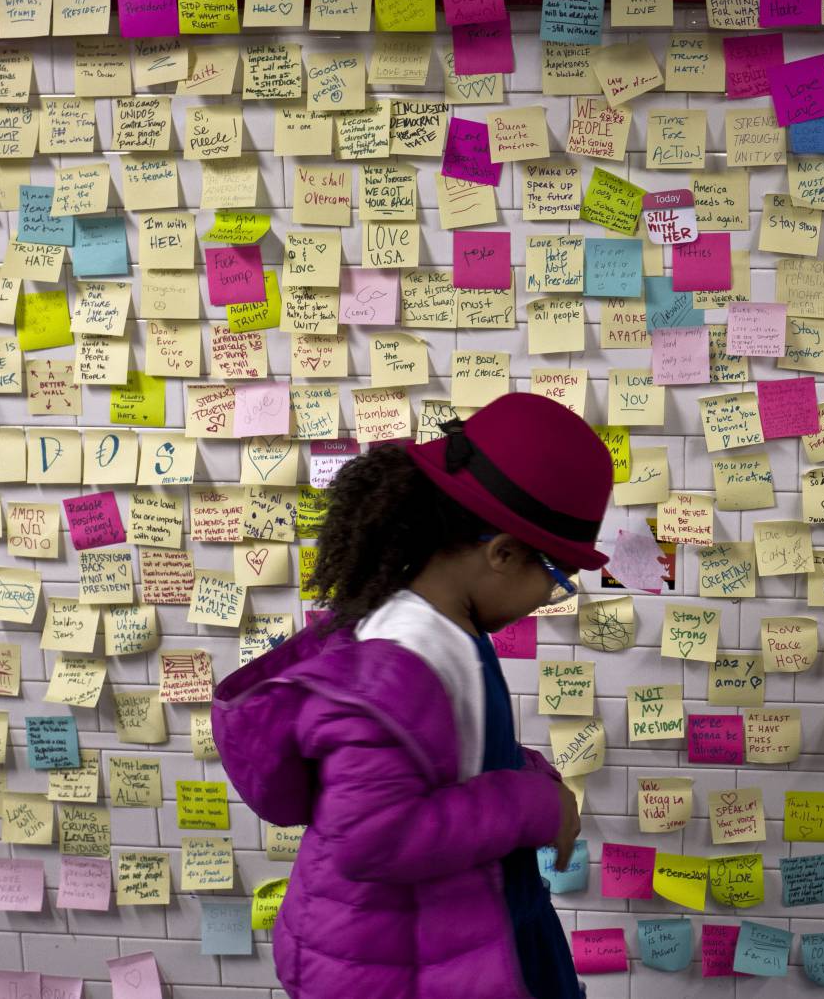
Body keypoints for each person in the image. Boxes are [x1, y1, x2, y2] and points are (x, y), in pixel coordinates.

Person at [213, 392, 613, 998]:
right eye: (557, 580)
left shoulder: (448, 628)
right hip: (394, 965)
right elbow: (373, 835)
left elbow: (450, 757)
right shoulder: (400, 660)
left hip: (455, 931)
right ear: (502, 554)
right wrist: (532, 806)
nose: (547, 600)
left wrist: (531, 775)